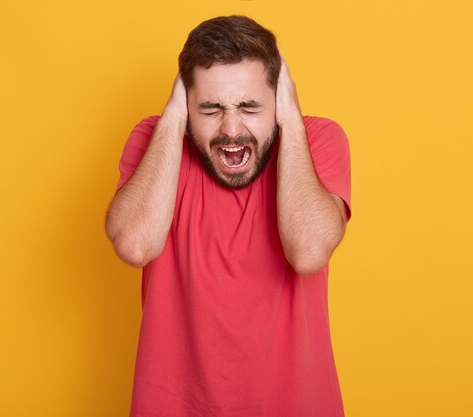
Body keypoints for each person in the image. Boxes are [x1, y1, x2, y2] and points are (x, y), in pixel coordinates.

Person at [105, 15, 351, 417]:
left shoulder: (318, 140)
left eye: (250, 106)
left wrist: (290, 118)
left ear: (279, 99)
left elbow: (307, 251)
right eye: (211, 108)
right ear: (186, 104)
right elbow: (134, 244)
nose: (232, 129)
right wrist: (173, 118)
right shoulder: (156, 140)